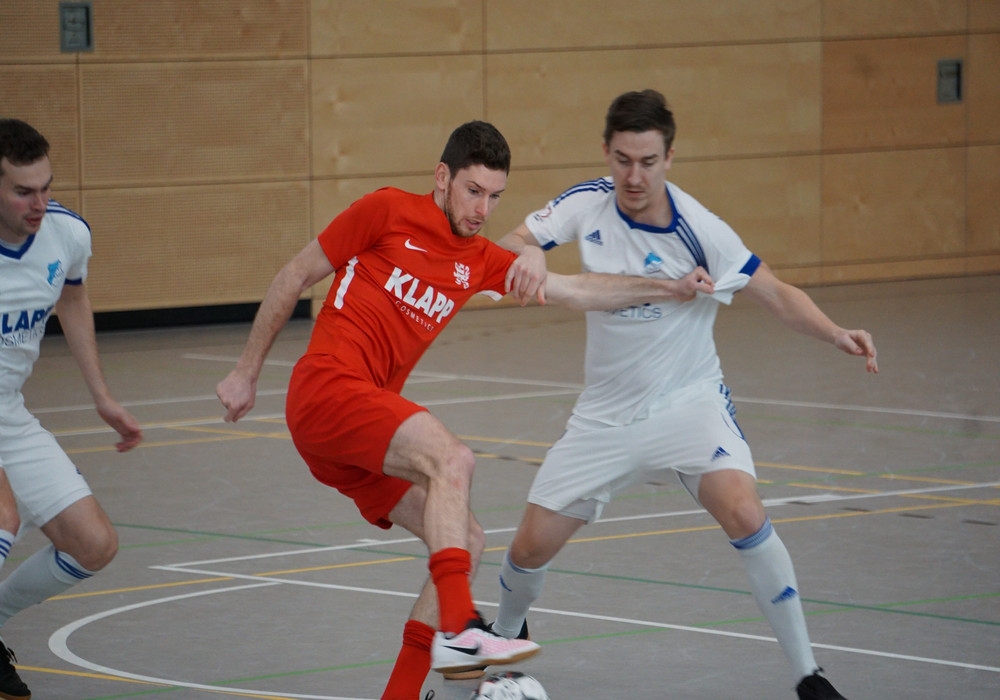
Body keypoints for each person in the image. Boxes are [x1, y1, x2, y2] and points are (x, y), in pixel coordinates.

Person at [216, 120, 716, 700]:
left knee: (466, 539)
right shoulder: (386, 210)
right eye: (473, 191)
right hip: (327, 388)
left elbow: (577, 290)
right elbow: (295, 274)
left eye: (495, 196)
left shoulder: (478, 259)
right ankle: (460, 629)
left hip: (356, 437)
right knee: (452, 460)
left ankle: (400, 694)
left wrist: (669, 287)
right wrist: (246, 371)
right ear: (442, 177)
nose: (483, 209)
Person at [491, 90, 878, 700]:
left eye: (648, 162)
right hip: (605, 416)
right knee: (529, 546)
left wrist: (835, 333)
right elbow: (512, 241)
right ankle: (503, 640)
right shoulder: (587, 202)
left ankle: (809, 675)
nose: (634, 176)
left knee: (745, 512)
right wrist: (533, 252)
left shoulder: (701, 229)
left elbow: (775, 292)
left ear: (669, 157)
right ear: (606, 151)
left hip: (688, 403)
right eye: (623, 160)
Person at [0, 118, 144, 699]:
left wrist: (102, 396)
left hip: (7, 412)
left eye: (46, 188)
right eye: (22, 192)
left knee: (93, 544)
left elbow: (74, 297)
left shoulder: (66, 234)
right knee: (3, 517)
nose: (39, 204)